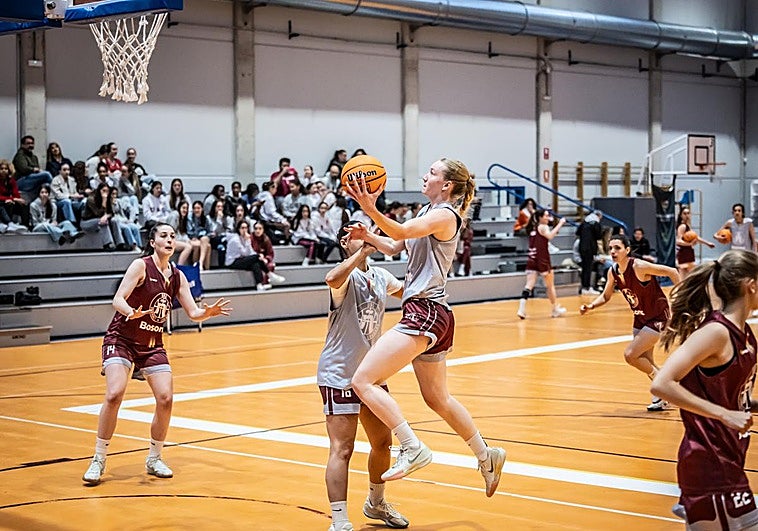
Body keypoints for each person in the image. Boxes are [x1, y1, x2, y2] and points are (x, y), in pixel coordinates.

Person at [343, 158, 506, 497]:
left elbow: (400, 231)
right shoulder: (425, 212)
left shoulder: (445, 216)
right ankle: (485, 454)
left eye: (432, 173)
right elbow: (394, 244)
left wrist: (371, 209)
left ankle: (411, 445)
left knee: (362, 380)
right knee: (438, 399)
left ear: (447, 185)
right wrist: (369, 235)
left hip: (425, 311)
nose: (426, 176)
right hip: (436, 314)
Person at [81, 223, 232, 485]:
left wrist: (207, 313)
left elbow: (193, 313)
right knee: (114, 394)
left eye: (173, 236)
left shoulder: (177, 276)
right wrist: (130, 312)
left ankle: (154, 457)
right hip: (122, 339)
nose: (170, 240)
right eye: (164, 235)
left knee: (165, 398)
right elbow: (118, 299)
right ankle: (99, 458)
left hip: (151, 344)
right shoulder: (140, 266)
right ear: (152, 242)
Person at [652, 250, 758, 529]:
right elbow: (662, 383)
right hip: (711, 467)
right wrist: (724, 414)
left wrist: (747, 405)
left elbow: (727, 393)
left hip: (728, 461)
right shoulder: (716, 332)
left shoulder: (745, 333)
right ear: (752, 285)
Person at [318, 221, 408, 531]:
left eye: (364, 231)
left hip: (370, 374)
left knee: (382, 442)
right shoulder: (345, 276)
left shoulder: (381, 276)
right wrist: (364, 249)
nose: (361, 237)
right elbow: (331, 277)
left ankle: (376, 503)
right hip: (339, 373)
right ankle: (340, 519)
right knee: (343, 448)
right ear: (345, 243)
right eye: (353, 235)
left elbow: (410, 294)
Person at [579, 233, 681, 411]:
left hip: (658, 315)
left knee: (630, 355)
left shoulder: (639, 266)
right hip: (640, 316)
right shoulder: (613, 272)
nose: (612, 251)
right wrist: (591, 306)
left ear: (627, 250)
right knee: (646, 359)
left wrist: (681, 297)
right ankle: (663, 393)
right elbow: (606, 296)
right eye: (610, 248)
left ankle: (663, 385)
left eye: (617, 248)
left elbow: (672, 271)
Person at [516, 209, 568, 319]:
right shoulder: (543, 227)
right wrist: (560, 224)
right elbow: (550, 236)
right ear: (540, 217)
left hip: (532, 258)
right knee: (550, 286)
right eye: (546, 216)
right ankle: (555, 309)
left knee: (529, 285)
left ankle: (521, 308)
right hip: (542, 259)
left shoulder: (533, 229)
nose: (547, 218)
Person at [225, 219, 270, 291]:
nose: (244, 230)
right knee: (256, 258)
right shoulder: (235, 239)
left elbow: (251, 252)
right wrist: (257, 255)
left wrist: (258, 256)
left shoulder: (246, 238)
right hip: (233, 262)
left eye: (246, 228)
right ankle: (269, 273)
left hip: (242, 259)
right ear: (238, 229)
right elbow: (244, 253)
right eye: (242, 228)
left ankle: (259, 284)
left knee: (255, 263)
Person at [81, 183, 126, 251]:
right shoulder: (91, 199)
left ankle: (120, 243)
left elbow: (111, 213)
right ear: (99, 190)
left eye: (107, 191)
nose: (105, 193)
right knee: (103, 222)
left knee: (114, 221)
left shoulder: (108, 198)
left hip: (101, 219)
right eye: (103, 190)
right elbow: (98, 213)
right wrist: (104, 201)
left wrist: (106, 215)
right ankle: (107, 244)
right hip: (87, 222)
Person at [676, 205, 715, 279]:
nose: (687, 215)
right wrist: (689, 244)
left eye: (688, 213)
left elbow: (696, 238)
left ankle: (683, 289)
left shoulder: (688, 225)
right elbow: (678, 241)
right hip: (684, 252)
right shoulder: (683, 226)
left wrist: (707, 243)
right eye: (684, 213)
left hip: (688, 251)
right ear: (681, 215)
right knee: (690, 275)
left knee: (686, 276)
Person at [12, 135, 53, 200]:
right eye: (28, 143)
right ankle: (54, 196)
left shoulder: (34, 157)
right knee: (47, 174)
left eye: (32, 143)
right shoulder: (19, 156)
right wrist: (34, 169)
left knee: (46, 184)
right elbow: (24, 169)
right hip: (21, 181)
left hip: (31, 180)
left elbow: (38, 172)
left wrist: (38, 171)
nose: (30, 145)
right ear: (22, 145)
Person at [576, 210, 603, 295]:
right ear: (598, 216)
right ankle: (586, 287)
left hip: (582, 247)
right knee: (588, 268)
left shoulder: (584, 222)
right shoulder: (595, 223)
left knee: (585, 268)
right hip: (589, 248)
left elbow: (577, 232)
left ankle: (584, 287)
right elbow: (599, 236)